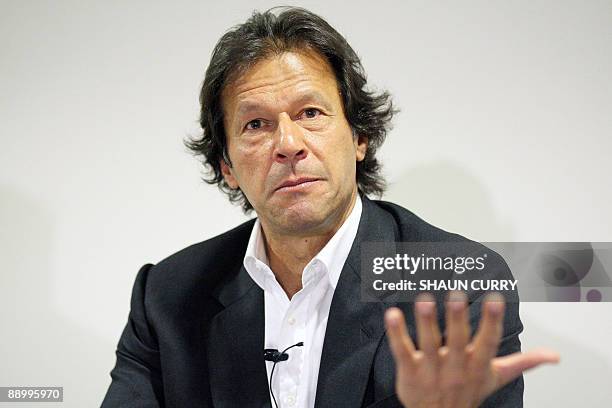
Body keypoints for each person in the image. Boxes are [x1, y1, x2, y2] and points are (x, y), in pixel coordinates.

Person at [102, 6, 559, 408]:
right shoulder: (167, 296)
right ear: (227, 166)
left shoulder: (458, 286)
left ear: (359, 136)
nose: (287, 144)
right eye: (256, 124)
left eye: (310, 114)